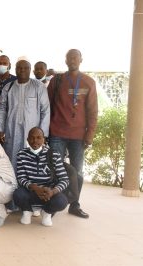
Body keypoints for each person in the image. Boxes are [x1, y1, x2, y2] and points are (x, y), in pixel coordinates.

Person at [48, 49, 98, 219]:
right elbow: (47, 107)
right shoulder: (57, 80)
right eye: (69, 57)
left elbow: (93, 111)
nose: (72, 60)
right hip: (57, 132)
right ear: (65, 60)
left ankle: (74, 204)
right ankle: (53, 203)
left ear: (81, 59)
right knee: (55, 169)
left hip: (78, 136)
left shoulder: (89, 82)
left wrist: (89, 135)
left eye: (75, 57)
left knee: (77, 172)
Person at [0, 60, 50, 169]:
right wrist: (0, 129)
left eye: (26, 68)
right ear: (15, 70)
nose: (22, 70)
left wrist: (43, 134)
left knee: (32, 159)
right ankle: (13, 184)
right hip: (11, 129)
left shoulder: (39, 87)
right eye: (19, 68)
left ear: (30, 70)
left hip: (33, 132)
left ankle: (29, 184)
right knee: (12, 158)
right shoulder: (8, 87)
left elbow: (45, 110)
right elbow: (1, 109)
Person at [13, 127, 69, 226]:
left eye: (39, 138)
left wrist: (52, 191)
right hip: (30, 191)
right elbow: (21, 178)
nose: (35, 141)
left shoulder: (54, 154)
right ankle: (27, 211)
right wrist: (35, 188)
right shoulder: (21, 154)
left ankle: (47, 212)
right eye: (32, 138)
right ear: (27, 139)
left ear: (44, 139)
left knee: (62, 201)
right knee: (17, 194)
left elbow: (64, 179)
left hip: (48, 194)